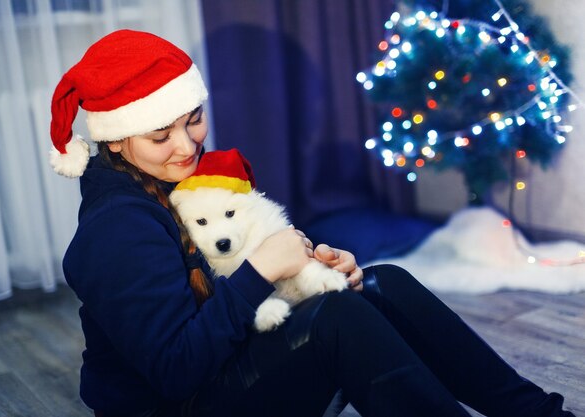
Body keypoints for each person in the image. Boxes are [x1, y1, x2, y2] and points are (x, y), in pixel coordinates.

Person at [50, 29, 575, 417]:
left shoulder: (173, 183)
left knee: (381, 282)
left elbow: (217, 279)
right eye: (161, 136)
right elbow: (174, 370)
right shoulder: (115, 227)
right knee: (337, 321)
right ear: (115, 139)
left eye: (193, 122)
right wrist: (261, 270)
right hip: (177, 404)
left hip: (215, 371)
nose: (186, 146)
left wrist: (303, 271)